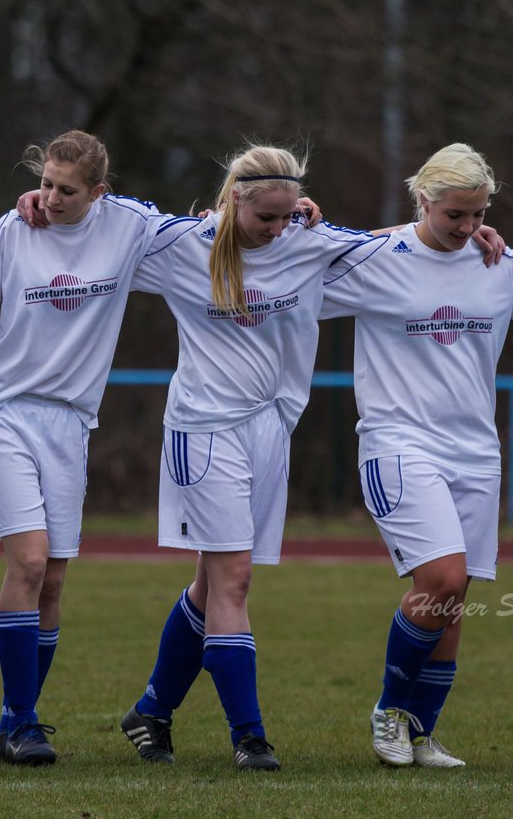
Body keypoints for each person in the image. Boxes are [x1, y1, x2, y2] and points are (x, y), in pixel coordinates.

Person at [117, 144, 393, 771]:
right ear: (234, 199)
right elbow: (104, 227)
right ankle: (250, 737)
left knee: (213, 581)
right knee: (234, 577)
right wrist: (43, 209)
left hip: (268, 431)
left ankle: (152, 710)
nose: (276, 229)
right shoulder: (180, 246)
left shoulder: (306, 239)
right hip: (201, 429)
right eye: (265, 217)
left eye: (285, 215)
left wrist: (459, 229)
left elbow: (390, 245)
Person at [320, 143, 513, 769]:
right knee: (441, 581)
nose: (467, 228)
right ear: (422, 201)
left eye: (478, 213)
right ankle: (386, 712)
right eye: (454, 214)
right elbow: (294, 271)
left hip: (477, 452)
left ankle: (421, 732)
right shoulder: (377, 259)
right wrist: (381, 233)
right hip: (398, 442)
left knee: (453, 605)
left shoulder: (499, 263)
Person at [0, 130, 187, 765]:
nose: (50, 198)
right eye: (46, 183)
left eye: (67, 189)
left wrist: (295, 214)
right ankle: (24, 721)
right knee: (28, 562)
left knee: (53, 577)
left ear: (99, 193)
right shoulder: (13, 227)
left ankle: (11, 724)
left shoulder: (130, 227)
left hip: (73, 422)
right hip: (1, 410)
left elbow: (211, 230)